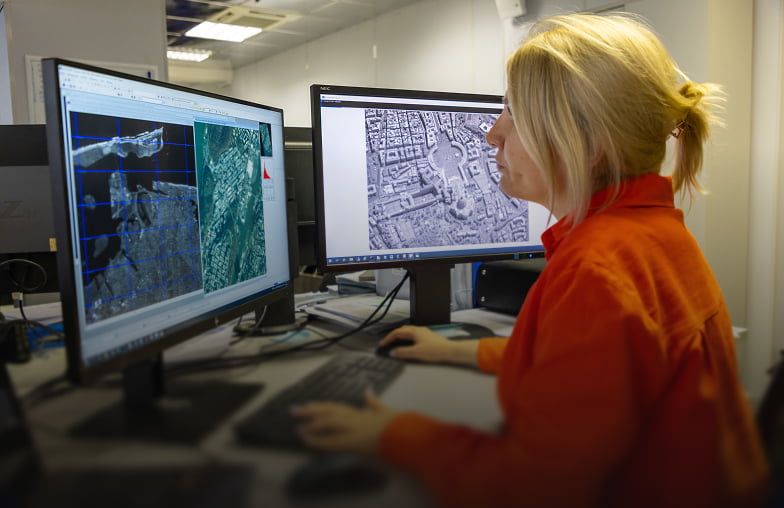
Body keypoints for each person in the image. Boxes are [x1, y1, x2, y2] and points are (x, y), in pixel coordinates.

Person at [291, 12, 770, 507]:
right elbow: (598, 365)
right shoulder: (655, 231)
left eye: (515, 115)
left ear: (587, 144)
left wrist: (395, 434)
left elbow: (532, 487)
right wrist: (461, 351)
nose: (492, 134)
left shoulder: (597, 271)